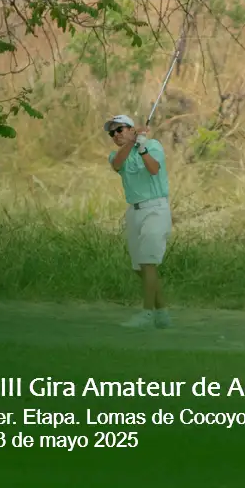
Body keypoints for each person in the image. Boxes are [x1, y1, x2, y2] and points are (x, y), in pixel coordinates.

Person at [105, 114, 172, 329]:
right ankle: (162, 312)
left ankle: (147, 313)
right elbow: (117, 165)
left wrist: (142, 148)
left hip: (156, 209)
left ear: (131, 129)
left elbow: (154, 169)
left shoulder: (152, 145)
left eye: (120, 129)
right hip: (134, 212)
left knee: (147, 262)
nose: (116, 135)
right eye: (112, 133)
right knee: (139, 267)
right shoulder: (116, 155)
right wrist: (132, 142)